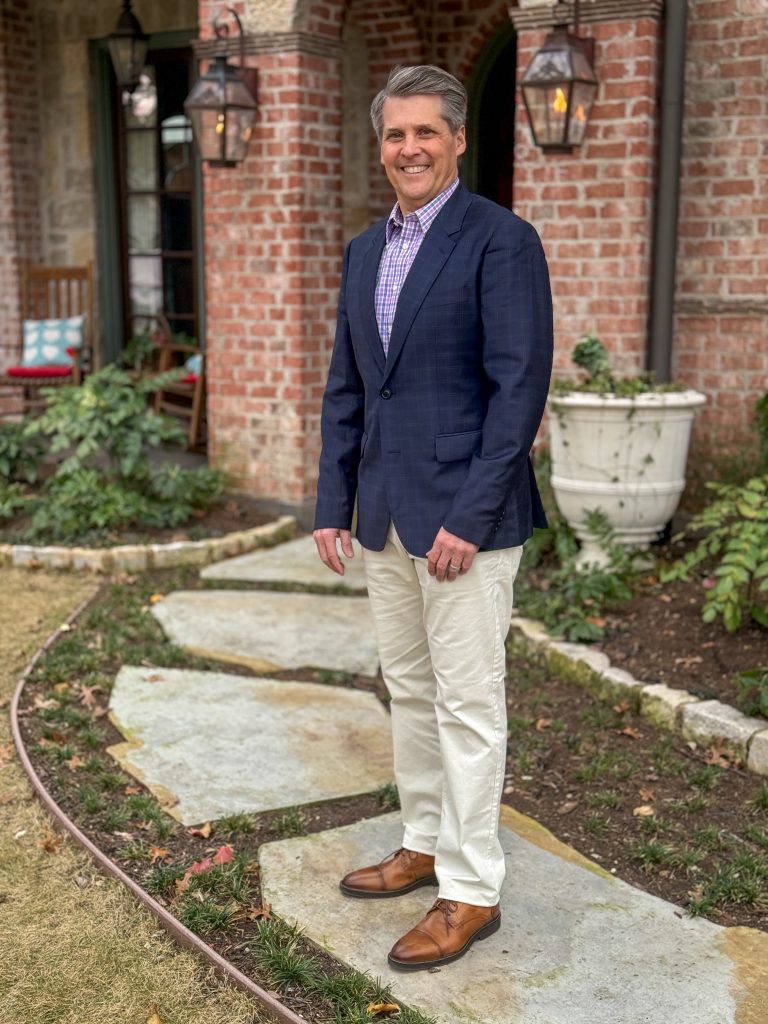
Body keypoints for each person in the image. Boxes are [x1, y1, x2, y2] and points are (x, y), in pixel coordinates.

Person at [313, 64, 553, 971]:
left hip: (466, 525)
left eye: (425, 132)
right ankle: (421, 842)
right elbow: (349, 388)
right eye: (393, 135)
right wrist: (334, 499)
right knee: (410, 693)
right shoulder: (363, 251)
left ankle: (471, 889)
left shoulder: (501, 241)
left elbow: (516, 389)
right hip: (383, 516)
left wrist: (471, 512)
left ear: (457, 140)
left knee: (468, 704)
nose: (407, 148)